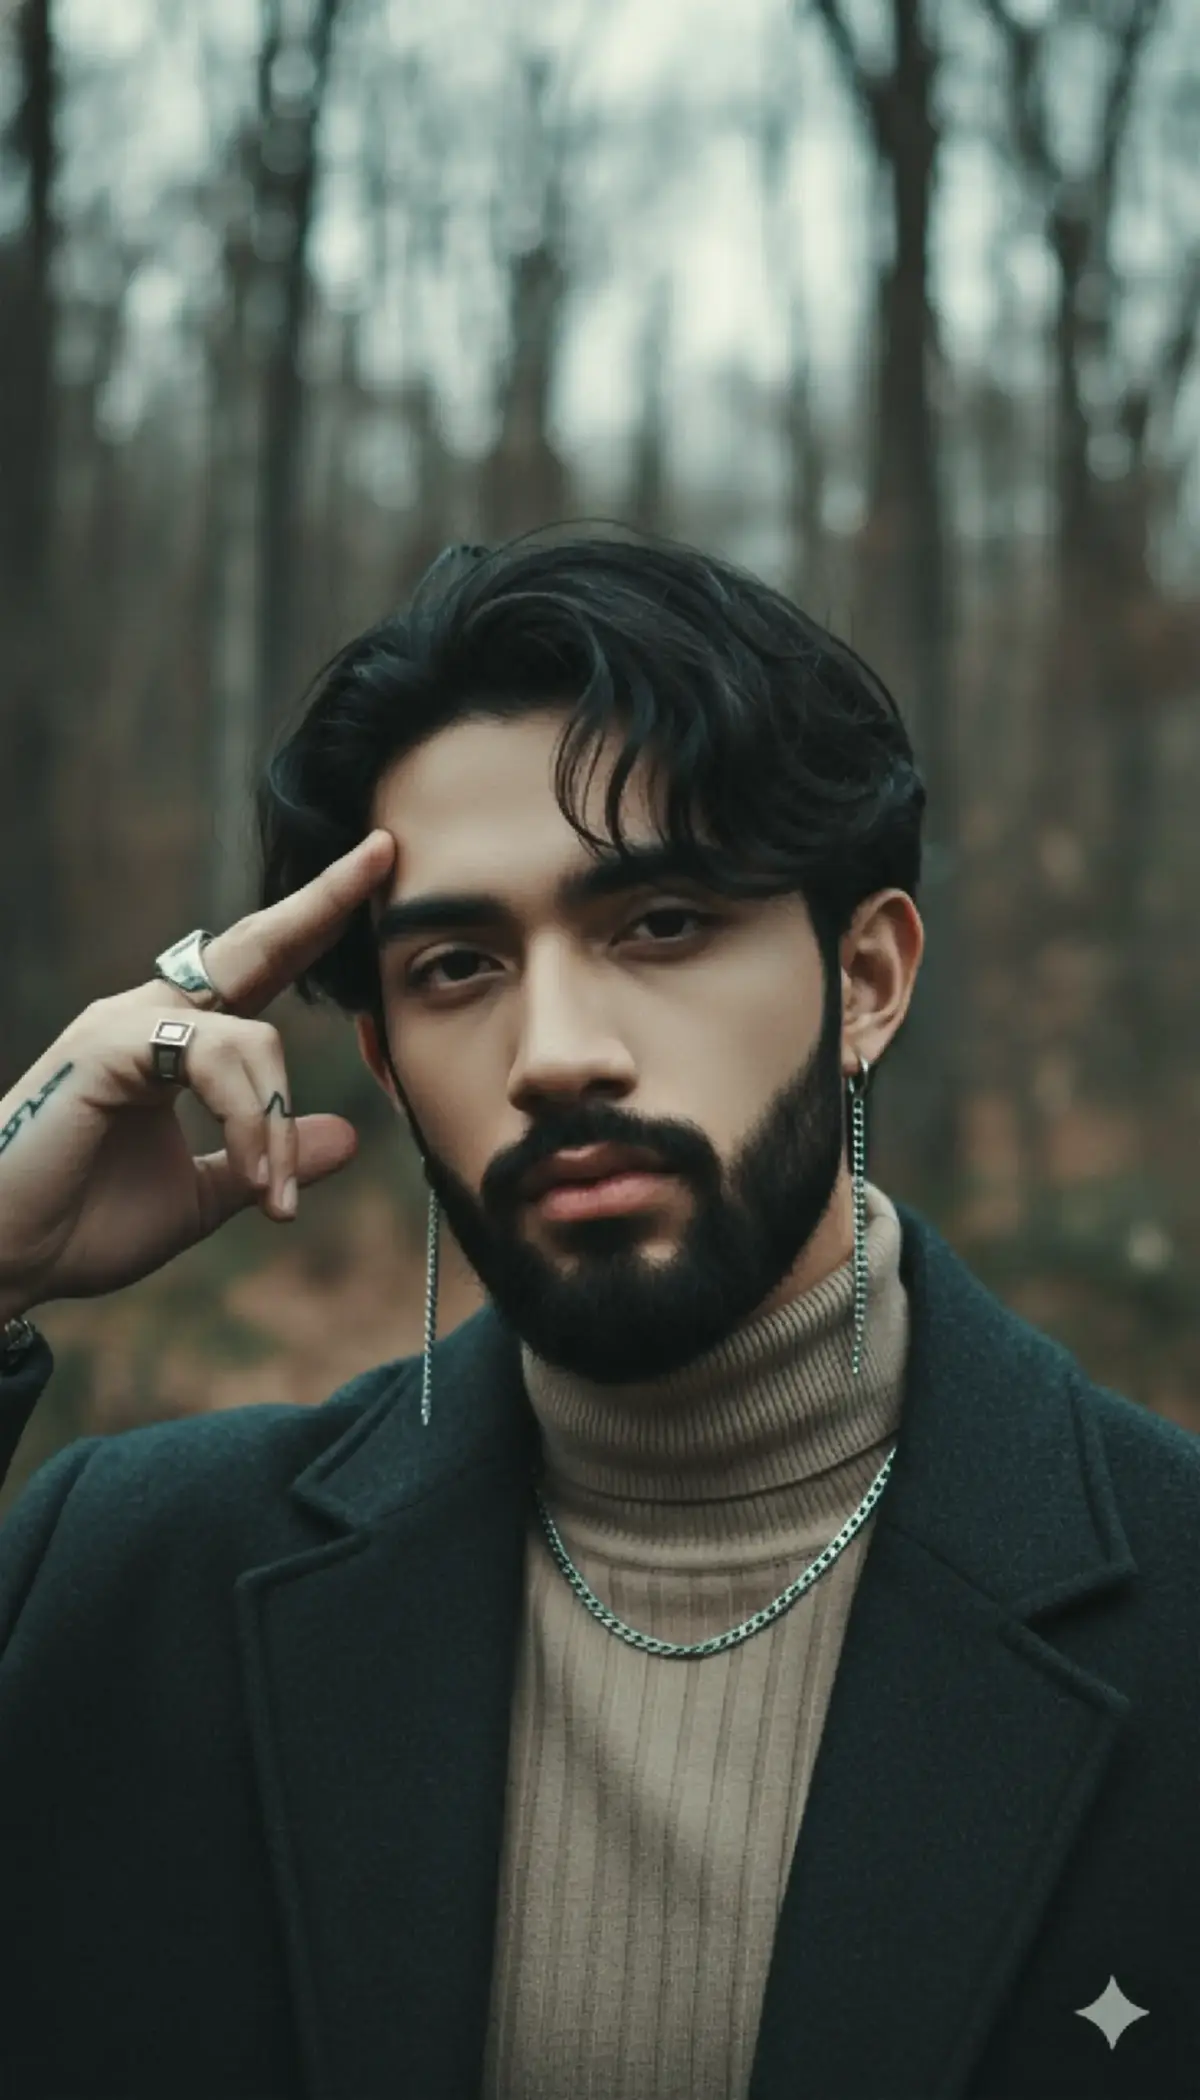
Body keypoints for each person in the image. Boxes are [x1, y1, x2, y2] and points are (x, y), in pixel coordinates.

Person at [0, 527, 1197, 2100]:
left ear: (869, 980)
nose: (556, 1052)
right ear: (380, 1055)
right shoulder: (119, 1583)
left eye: (661, 925)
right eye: (456, 964)